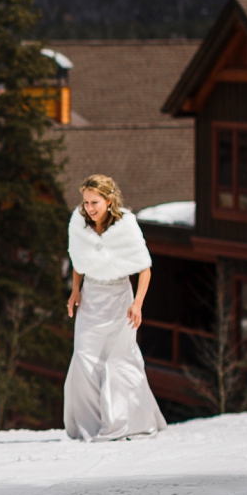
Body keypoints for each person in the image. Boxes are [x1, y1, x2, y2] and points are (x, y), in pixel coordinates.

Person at [63, 174, 167, 441]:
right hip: (91, 298)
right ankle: (89, 426)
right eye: (86, 202)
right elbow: (78, 260)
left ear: (108, 201)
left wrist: (138, 304)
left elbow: (145, 268)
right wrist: (75, 289)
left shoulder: (126, 226)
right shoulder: (79, 225)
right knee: (85, 359)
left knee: (120, 360)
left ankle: (126, 422)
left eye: (95, 202)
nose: (89, 208)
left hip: (120, 298)